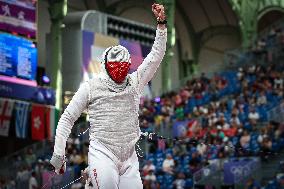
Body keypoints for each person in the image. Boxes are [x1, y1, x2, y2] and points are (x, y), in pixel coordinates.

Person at [50, 3, 167, 189]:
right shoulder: (91, 87)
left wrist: (161, 24)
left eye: (123, 68)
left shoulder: (135, 81)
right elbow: (67, 118)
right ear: (106, 66)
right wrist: (58, 154)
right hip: (102, 152)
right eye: (115, 68)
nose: (120, 72)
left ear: (129, 66)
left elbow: (156, 55)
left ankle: (91, 181)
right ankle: (93, 177)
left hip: (129, 156)